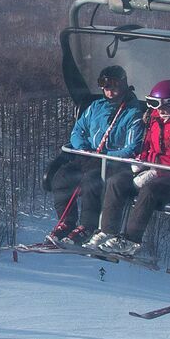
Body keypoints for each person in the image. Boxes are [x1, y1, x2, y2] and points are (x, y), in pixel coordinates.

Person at [91, 79, 170, 259]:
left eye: (163, 107)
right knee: (116, 181)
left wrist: (157, 172)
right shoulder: (154, 118)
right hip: (151, 168)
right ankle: (107, 231)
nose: (160, 111)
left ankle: (131, 240)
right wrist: (141, 161)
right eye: (155, 106)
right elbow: (147, 145)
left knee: (149, 190)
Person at [41, 65, 145, 246]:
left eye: (114, 87)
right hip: (89, 155)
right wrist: (83, 148)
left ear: (123, 86)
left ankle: (87, 226)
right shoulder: (95, 107)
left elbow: (132, 147)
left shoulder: (132, 112)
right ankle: (67, 222)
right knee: (62, 178)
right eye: (106, 88)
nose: (110, 92)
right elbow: (78, 131)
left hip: (113, 162)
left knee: (92, 180)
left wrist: (105, 156)